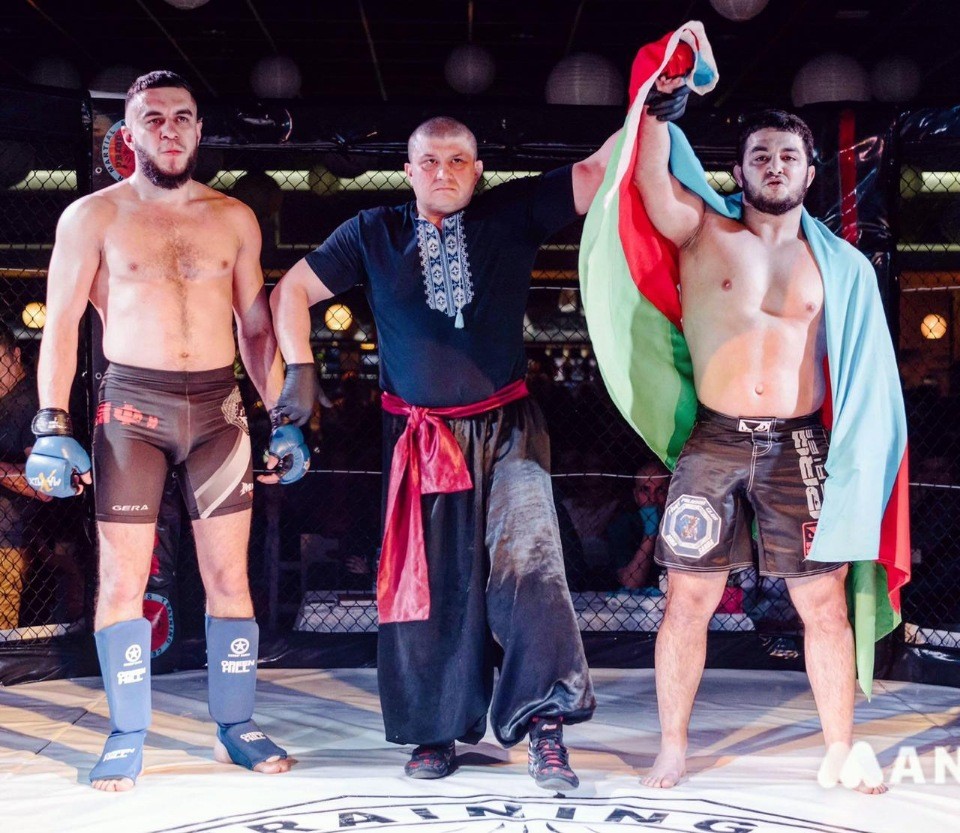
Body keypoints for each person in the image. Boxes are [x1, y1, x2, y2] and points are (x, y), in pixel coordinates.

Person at [268, 116, 616, 790]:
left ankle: (546, 726)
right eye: (429, 161)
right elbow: (291, 293)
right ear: (408, 170)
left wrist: (652, 97)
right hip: (422, 438)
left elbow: (597, 171)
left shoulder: (510, 211)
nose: (443, 172)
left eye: (458, 160)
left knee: (532, 567)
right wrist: (299, 374)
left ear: (478, 171)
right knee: (428, 583)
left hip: (509, 430)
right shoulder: (373, 231)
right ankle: (434, 730)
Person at [627, 62, 905, 792]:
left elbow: (868, 378)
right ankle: (673, 747)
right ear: (739, 169)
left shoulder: (841, 267)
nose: (774, 166)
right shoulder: (704, 232)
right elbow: (649, 181)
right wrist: (659, 101)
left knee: (823, 602)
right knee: (687, 598)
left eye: (788, 156)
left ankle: (840, 747)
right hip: (715, 438)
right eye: (760, 155)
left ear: (810, 172)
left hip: (798, 442)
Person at [26, 70, 294, 791]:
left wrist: (284, 416)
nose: (169, 129)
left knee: (229, 576)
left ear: (199, 130)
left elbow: (256, 329)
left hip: (217, 409)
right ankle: (126, 733)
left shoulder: (234, 218)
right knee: (121, 578)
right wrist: (50, 422)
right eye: (153, 118)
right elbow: (60, 325)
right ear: (129, 133)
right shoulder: (93, 216)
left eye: (181, 116)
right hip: (132, 410)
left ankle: (236, 725)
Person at [0, 323, 52, 630]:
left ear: (15, 355)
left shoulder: (30, 404)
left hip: (8, 542)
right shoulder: (7, 401)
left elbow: (46, 485)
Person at [606, 460, 669, 590]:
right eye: (645, 490)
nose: (652, 499)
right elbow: (630, 583)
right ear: (635, 495)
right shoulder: (622, 525)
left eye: (660, 490)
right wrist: (649, 536)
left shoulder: (680, 523)